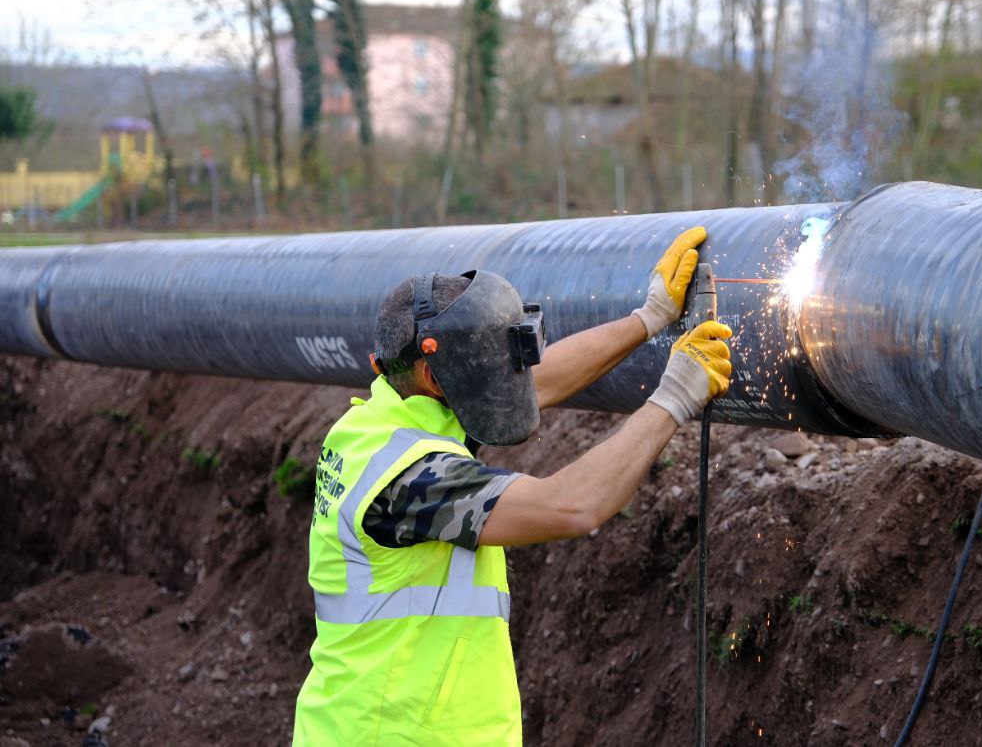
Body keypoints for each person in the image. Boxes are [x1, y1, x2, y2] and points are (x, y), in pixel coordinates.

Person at [293, 227, 734, 746]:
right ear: (437, 378)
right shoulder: (412, 479)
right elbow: (572, 506)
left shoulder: (384, 425)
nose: (511, 381)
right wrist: (676, 396)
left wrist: (649, 318)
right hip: (394, 732)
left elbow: (533, 386)